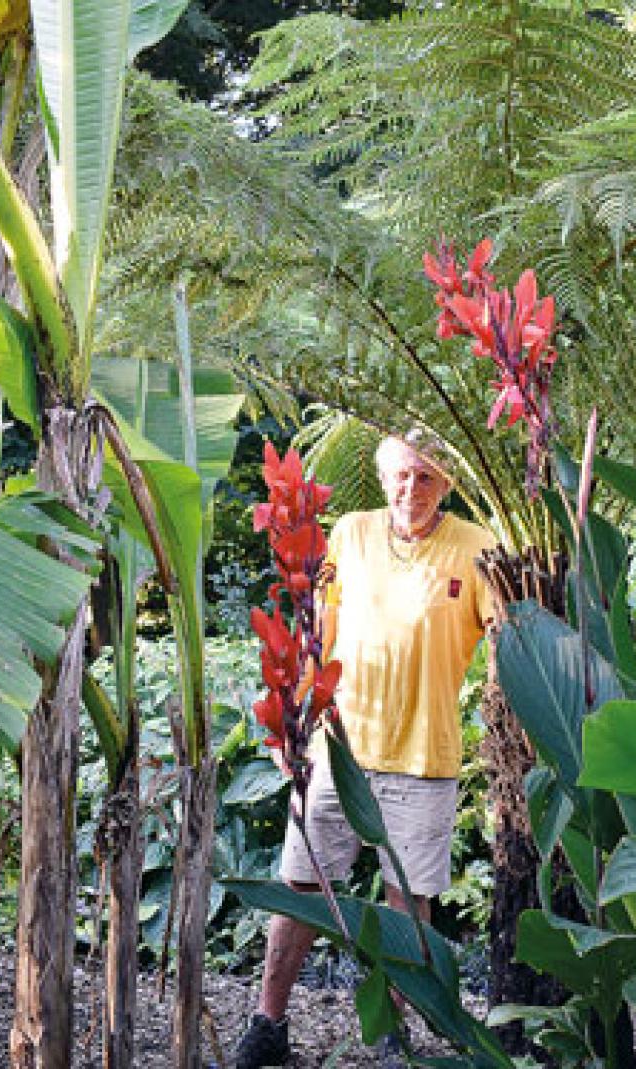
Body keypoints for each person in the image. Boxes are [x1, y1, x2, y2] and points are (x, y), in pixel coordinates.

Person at [235, 428, 497, 1069]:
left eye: (427, 477)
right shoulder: (349, 534)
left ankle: (390, 1040)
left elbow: (508, 639)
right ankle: (268, 1023)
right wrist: (291, 724)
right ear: (383, 479)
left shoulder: (476, 547)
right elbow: (313, 632)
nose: (412, 488)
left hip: (424, 760)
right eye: (402, 475)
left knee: (407, 905)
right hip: (337, 750)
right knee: (301, 884)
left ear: (447, 485)